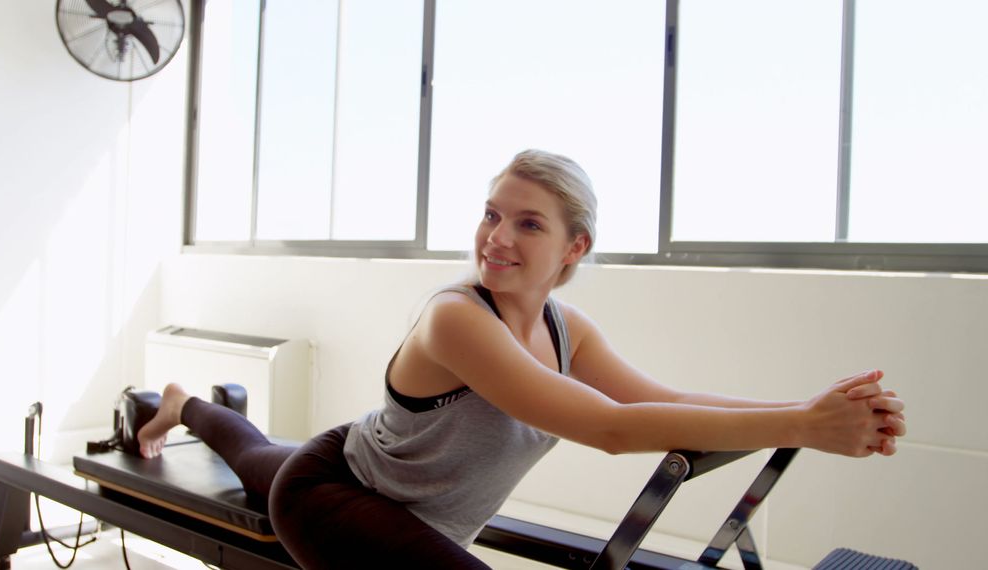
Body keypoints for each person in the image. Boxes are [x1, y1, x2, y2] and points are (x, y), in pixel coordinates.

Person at [137, 149, 906, 569]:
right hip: (340, 491)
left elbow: (656, 402)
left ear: (574, 248)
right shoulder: (455, 319)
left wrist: (812, 412)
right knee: (274, 468)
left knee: (258, 452)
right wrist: (806, 424)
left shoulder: (571, 330)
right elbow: (609, 429)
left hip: (369, 466)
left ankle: (187, 404)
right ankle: (193, 409)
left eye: (527, 224)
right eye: (491, 214)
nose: (495, 237)